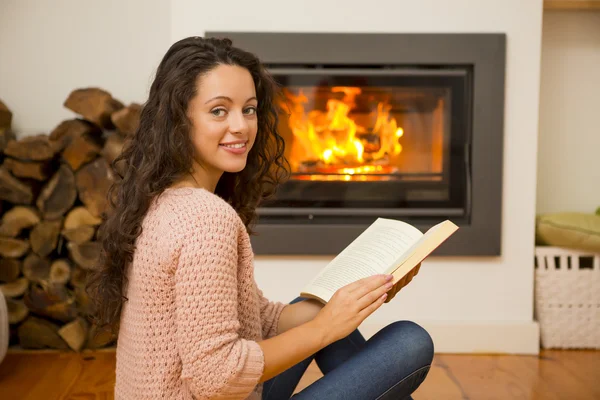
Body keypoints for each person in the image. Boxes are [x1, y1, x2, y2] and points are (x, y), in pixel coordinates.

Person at [87, 36, 434, 400]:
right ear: (179, 120)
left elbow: (261, 320)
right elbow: (217, 377)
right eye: (219, 111)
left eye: (249, 109)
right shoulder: (205, 220)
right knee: (409, 342)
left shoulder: (165, 201)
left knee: (319, 311)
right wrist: (326, 328)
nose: (241, 126)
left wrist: (363, 296)